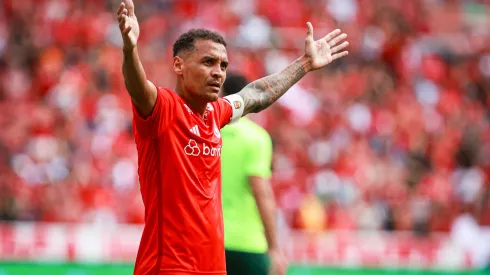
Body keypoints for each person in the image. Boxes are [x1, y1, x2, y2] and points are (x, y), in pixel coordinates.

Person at [116, 0, 349, 274]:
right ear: (178, 65)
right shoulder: (164, 108)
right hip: (168, 266)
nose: (218, 72)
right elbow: (137, 86)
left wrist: (305, 63)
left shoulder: (217, 114)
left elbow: (257, 94)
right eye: (208, 62)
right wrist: (130, 50)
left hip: (213, 266)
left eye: (223, 65)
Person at [220, 73, 287, 275]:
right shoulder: (255, 138)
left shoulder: (207, 133)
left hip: (208, 241)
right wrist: (274, 247)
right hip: (247, 244)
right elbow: (262, 193)